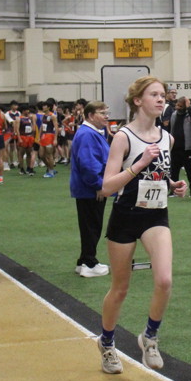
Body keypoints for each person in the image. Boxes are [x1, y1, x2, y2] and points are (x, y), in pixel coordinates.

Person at [96, 76, 187, 375]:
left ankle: (150, 337)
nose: (161, 99)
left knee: (164, 280)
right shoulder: (123, 137)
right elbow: (107, 187)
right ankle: (106, 343)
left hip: (156, 216)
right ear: (138, 101)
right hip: (126, 215)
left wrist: (173, 184)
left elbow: (159, 174)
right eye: (154, 95)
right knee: (120, 288)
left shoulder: (167, 138)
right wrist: (138, 164)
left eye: (163, 95)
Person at [69, 101, 112, 278]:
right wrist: (99, 185)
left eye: (107, 112)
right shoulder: (88, 134)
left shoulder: (91, 133)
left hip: (89, 188)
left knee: (90, 225)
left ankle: (84, 261)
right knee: (92, 226)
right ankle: (89, 262)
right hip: (91, 189)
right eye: (102, 113)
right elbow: (88, 164)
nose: (106, 116)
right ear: (90, 115)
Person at [168, 96, 191, 199]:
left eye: (180, 106)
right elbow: (170, 128)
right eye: (177, 105)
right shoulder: (174, 114)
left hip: (187, 148)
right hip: (175, 147)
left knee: (190, 170)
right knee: (174, 170)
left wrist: (188, 107)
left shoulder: (190, 115)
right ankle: (173, 191)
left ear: (185, 106)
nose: (178, 107)